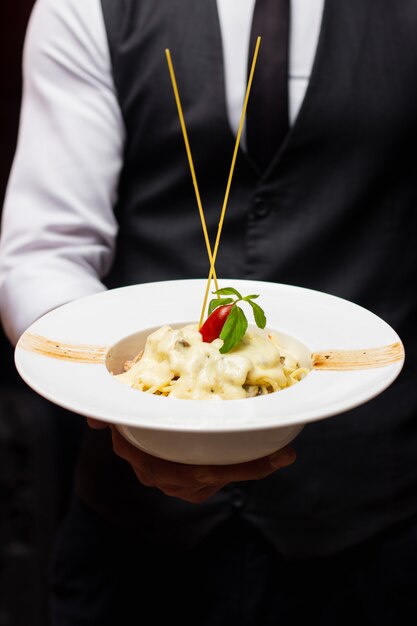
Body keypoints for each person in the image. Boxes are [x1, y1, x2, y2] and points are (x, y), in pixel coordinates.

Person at [1, 0, 417, 624]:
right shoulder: (85, 7)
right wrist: (123, 403)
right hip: (133, 548)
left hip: (372, 525)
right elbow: (45, 250)